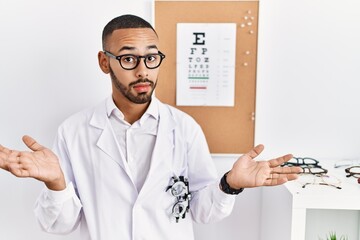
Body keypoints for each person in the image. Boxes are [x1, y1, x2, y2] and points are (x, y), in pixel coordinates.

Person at [0, 14, 302, 240]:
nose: (143, 70)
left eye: (152, 57)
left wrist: (229, 184)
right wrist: (55, 183)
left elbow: (202, 211)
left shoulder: (184, 128)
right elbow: (60, 223)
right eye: (129, 58)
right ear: (105, 62)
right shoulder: (74, 131)